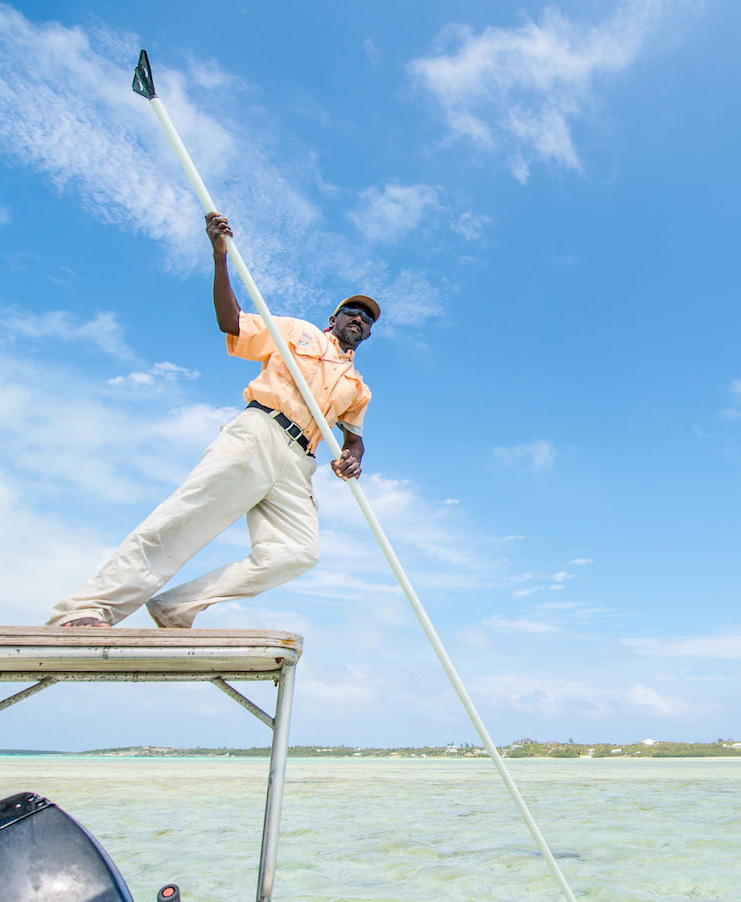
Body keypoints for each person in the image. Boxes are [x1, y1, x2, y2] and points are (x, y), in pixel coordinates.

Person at [47, 212, 379, 629]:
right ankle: (86, 609)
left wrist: (352, 458)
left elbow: (354, 439)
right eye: (351, 312)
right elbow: (232, 322)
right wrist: (220, 258)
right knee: (187, 518)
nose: (358, 320)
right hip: (261, 432)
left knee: (297, 551)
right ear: (334, 318)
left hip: (299, 464)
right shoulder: (297, 332)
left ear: (367, 335)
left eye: (366, 320)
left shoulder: (358, 386)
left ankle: (176, 608)